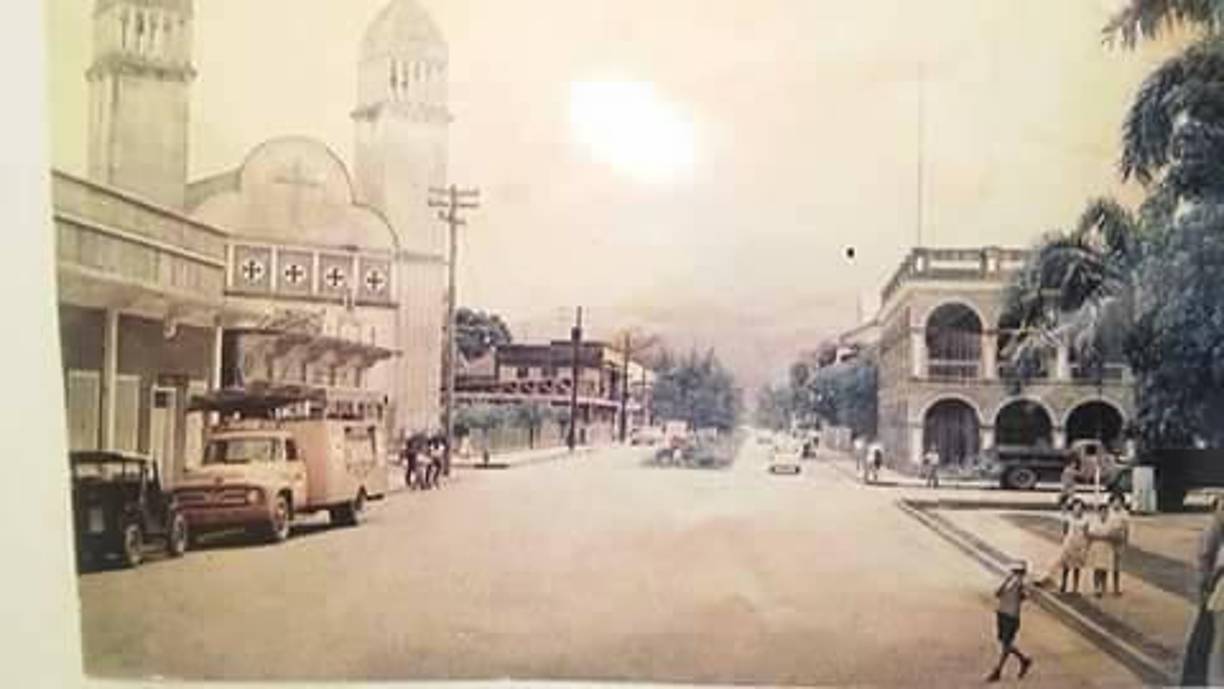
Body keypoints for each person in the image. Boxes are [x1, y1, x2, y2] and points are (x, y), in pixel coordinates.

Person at [1183, 496, 1224, 685]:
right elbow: (1206, 555)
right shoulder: (1217, 523)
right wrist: (1206, 586)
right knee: (1211, 645)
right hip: (1217, 590)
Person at [986, 561, 1034, 683]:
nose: (1015, 573)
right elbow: (997, 593)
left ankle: (998, 670)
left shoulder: (1024, 584)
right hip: (1002, 612)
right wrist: (1007, 581)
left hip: (1012, 616)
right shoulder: (1008, 580)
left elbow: (1025, 596)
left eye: (1018, 572)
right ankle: (1024, 660)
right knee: (1004, 643)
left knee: (1006, 644)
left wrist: (1021, 587)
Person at [1056, 499, 1089, 593]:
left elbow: (1086, 533)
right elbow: (1064, 531)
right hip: (1069, 543)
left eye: (1080, 508)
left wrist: (1086, 546)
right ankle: (1064, 584)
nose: (1078, 510)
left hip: (1079, 544)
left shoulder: (1085, 520)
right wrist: (1063, 541)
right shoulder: (1068, 518)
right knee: (1066, 566)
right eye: (1076, 507)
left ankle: (1075, 587)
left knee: (1077, 567)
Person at [1086, 502, 1113, 597]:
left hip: (1107, 548)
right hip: (1097, 547)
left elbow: (1112, 535)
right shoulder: (1094, 522)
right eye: (1102, 512)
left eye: (1106, 512)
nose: (1104, 514)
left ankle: (1104, 586)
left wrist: (1103, 536)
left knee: (1105, 568)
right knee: (1097, 568)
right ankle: (1096, 588)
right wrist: (1102, 536)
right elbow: (1090, 534)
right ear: (1099, 512)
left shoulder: (1110, 522)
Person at [1106, 494, 1130, 595]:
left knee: (1116, 566)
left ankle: (1116, 587)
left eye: (1119, 501)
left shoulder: (1124, 514)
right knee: (1105, 564)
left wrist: (1126, 541)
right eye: (1115, 501)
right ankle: (1103, 586)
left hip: (1119, 541)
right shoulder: (1108, 512)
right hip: (1107, 540)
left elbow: (1127, 529)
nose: (1117, 503)